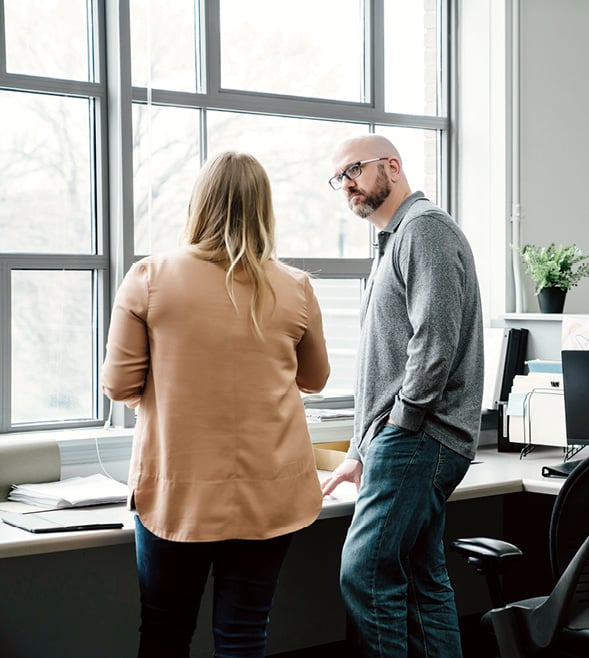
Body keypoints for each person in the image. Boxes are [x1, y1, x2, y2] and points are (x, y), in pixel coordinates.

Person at [101, 151, 330, 658]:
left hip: (176, 493)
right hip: (269, 495)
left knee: (164, 633)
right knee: (244, 635)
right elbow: (315, 378)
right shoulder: (295, 286)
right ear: (264, 210)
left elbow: (117, 386)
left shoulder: (149, 278)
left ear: (198, 204)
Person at [321, 135, 484, 658]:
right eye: (339, 178)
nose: (347, 184)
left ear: (392, 166)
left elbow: (433, 346)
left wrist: (398, 427)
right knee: (422, 580)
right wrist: (357, 453)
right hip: (410, 439)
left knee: (364, 575)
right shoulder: (395, 240)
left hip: (420, 436)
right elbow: (382, 366)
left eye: (355, 170)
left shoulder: (425, 230)